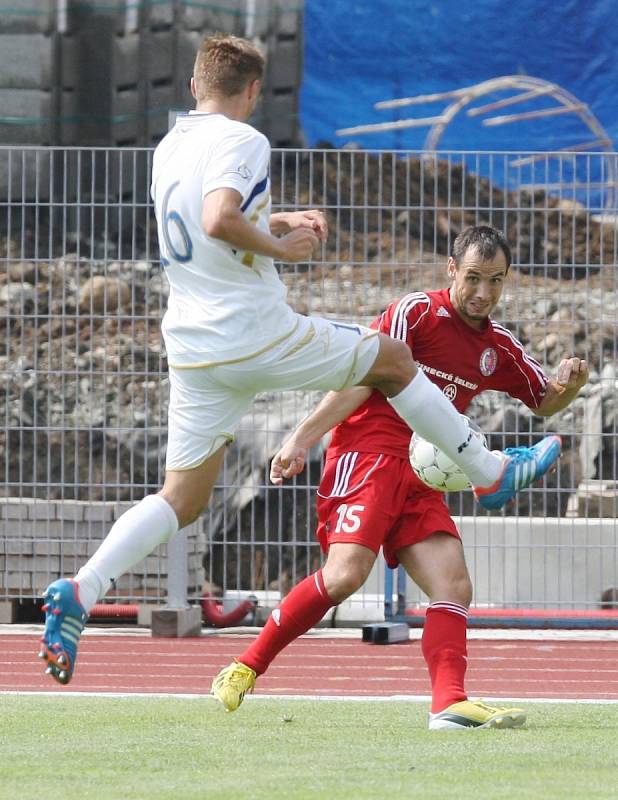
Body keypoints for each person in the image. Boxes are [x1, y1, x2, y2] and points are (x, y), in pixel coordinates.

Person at [38, 37, 560, 685]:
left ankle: (82, 589)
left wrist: (278, 219)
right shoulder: (244, 141)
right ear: (254, 91)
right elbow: (221, 219)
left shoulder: (172, 145)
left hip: (194, 347)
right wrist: (285, 251)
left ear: (196, 85)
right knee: (394, 359)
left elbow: (202, 227)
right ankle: (488, 471)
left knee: (182, 496)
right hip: (250, 331)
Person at [211, 225, 588, 729]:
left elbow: (544, 401)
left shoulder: (497, 345)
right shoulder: (417, 313)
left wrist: (570, 387)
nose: (483, 293)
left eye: (495, 281)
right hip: (367, 453)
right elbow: (360, 379)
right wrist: (302, 438)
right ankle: (244, 667)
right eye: (473, 278)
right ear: (452, 270)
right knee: (346, 576)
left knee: (453, 583)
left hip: (423, 470)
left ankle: (449, 704)